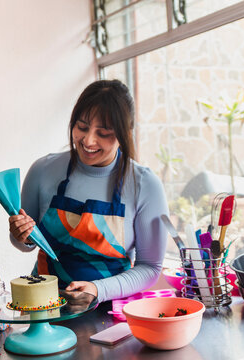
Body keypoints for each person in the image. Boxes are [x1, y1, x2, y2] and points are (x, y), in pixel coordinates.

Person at [9, 79, 168, 303]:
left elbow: (150, 268)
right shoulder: (42, 170)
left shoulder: (145, 184)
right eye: (82, 127)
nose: (88, 140)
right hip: (43, 306)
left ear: (125, 133)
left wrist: (97, 290)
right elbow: (25, 243)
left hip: (110, 310)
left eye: (103, 133)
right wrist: (20, 236)